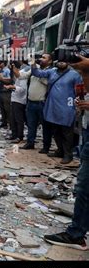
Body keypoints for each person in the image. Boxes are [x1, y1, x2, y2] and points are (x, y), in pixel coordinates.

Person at [44, 54, 89, 250]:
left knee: (84, 188)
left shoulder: (72, 75)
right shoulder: (57, 73)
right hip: (86, 128)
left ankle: (77, 234)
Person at [31, 56, 83, 164]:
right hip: (52, 107)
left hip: (67, 108)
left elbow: (79, 91)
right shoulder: (52, 72)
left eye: (64, 61)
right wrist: (32, 63)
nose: (61, 63)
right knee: (55, 131)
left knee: (67, 133)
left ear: (67, 62)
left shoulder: (74, 74)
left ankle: (68, 155)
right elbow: (37, 73)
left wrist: (78, 106)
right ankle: (60, 151)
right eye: (59, 61)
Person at [15, 53, 53, 151]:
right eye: (40, 57)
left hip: (42, 102)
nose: (41, 59)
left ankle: (46, 146)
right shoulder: (34, 70)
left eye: (44, 58)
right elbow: (21, 76)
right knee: (31, 124)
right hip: (31, 101)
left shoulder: (51, 71)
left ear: (50, 61)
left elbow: (46, 82)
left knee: (46, 126)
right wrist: (13, 66)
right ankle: (30, 142)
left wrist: (35, 68)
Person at [4, 61, 28, 143]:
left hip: (20, 100)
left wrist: (12, 87)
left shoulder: (22, 75)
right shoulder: (15, 75)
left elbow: (22, 89)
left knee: (19, 119)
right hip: (14, 99)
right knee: (12, 119)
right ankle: (14, 134)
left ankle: (19, 136)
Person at [0, 60, 13, 129]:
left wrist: (1, 79)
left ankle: (10, 124)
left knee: (7, 109)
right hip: (1, 91)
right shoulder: (0, 70)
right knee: (2, 108)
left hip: (6, 91)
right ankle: (4, 122)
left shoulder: (7, 70)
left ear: (3, 63)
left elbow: (10, 80)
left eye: (0, 63)